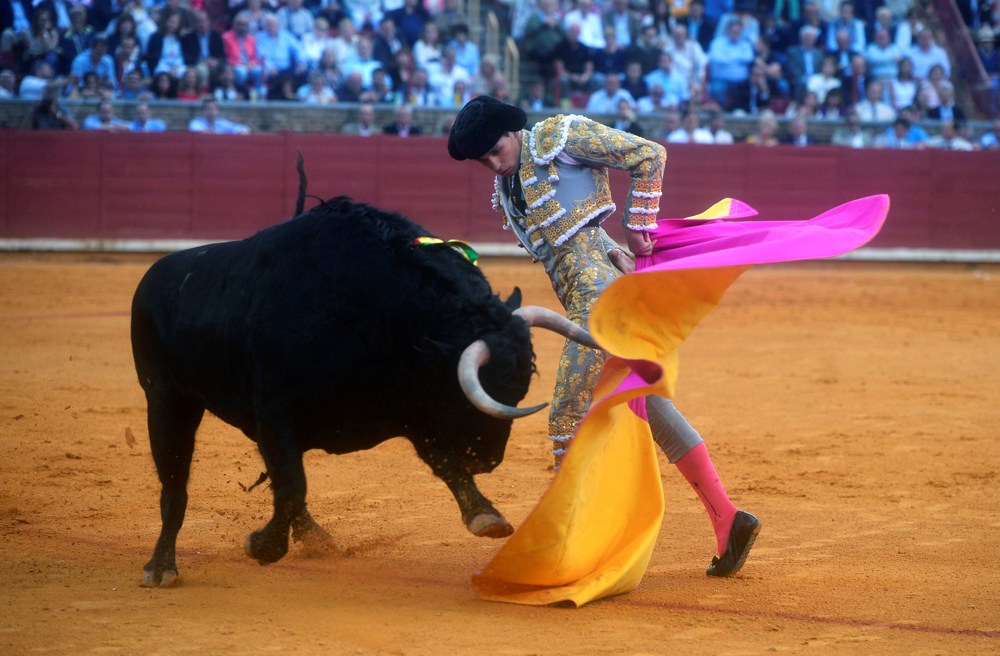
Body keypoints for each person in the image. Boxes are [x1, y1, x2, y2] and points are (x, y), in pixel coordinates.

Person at [447, 96, 761, 577]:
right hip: (589, 298)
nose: (494, 163)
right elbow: (584, 238)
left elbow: (649, 154)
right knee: (650, 406)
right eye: (483, 160)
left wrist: (637, 227)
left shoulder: (561, 138)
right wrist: (615, 247)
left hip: (598, 305)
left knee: (568, 415)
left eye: (496, 150)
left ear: (513, 132)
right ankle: (728, 519)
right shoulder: (507, 184)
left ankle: (569, 546)